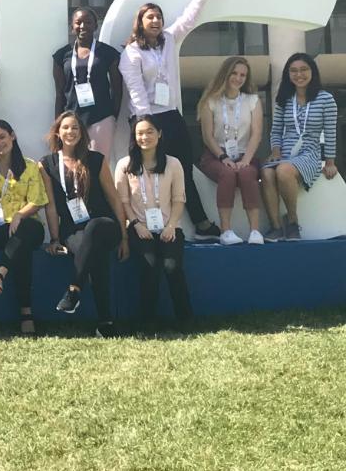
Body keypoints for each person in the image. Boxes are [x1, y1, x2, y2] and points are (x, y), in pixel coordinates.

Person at [118, 0, 223, 240]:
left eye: (158, 17)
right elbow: (135, 90)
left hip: (171, 116)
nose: (155, 21)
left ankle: (200, 224)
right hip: (145, 119)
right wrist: (146, 124)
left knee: (183, 170)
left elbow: (187, 20)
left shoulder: (168, 39)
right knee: (147, 174)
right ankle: (146, 226)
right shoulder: (131, 52)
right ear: (140, 22)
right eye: (150, 17)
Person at [40, 112, 127, 336]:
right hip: (73, 229)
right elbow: (51, 206)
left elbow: (114, 198)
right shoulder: (47, 164)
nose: (70, 132)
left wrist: (125, 237)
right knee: (95, 255)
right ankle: (106, 323)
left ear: (82, 133)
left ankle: (74, 289)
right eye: (66, 128)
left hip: (104, 224)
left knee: (95, 228)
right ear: (58, 132)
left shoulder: (96, 159)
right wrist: (55, 239)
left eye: (75, 128)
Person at [114, 116, 192, 331]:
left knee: (172, 267)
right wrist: (136, 224)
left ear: (159, 134)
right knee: (149, 266)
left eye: (149, 132)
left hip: (169, 227)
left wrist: (171, 226)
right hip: (139, 228)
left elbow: (179, 199)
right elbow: (123, 201)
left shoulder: (173, 163)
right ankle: (148, 322)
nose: (144, 137)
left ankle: (185, 320)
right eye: (140, 133)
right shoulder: (124, 165)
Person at [0, 119, 47, 336]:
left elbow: (37, 201)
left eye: (2, 137)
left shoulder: (29, 166)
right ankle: (26, 313)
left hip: (26, 226)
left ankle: (1, 272)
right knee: (21, 249)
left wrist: (19, 215)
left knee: (24, 233)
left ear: (12, 136)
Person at [260, 52, 338, 241]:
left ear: (312, 72)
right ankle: (276, 226)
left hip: (309, 152)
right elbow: (276, 130)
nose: (299, 74)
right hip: (285, 152)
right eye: (293, 71)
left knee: (283, 170)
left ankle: (292, 222)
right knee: (267, 172)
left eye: (303, 69)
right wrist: (275, 151)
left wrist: (330, 162)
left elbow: (330, 133)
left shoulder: (326, 99)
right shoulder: (284, 98)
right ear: (288, 74)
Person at [196, 56, 265, 245]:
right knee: (227, 174)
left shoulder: (252, 100)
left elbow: (256, 134)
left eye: (243, 75)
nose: (238, 78)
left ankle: (255, 231)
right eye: (234, 73)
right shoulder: (211, 101)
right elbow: (207, 136)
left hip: (245, 154)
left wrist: (246, 160)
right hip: (216, 155)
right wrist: (223, 157)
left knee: (247, 174)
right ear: (225, 74)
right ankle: (226, 231)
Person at [51, 7, 122, 161]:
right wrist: (57, 123)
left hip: (101, 118)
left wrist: (112, 116)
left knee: (99, 163)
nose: (83, 26)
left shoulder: (108, 53)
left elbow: (117, 89)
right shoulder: (62, 55)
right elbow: (59, 93)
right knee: (72, 162)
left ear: (95, 26)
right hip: (71, 119)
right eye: (78, 22)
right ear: (72, 26)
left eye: (88, 22)